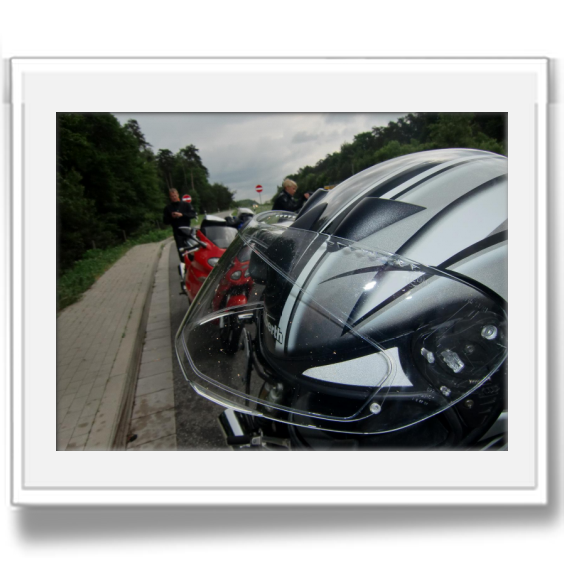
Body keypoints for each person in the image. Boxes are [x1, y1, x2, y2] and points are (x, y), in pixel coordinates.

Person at [163, 188, 197, 261]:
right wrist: (172, 217)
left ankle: (193, 261)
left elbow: (193, 214)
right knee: (181, 250)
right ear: (170, 197)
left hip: (187, 230)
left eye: (175, 195)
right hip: (177, 232)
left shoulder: (186, 205)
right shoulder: (168, 208)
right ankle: (183, 263)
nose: (174, 197)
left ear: (178, 195)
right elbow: (165, 221)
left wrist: (182, 215)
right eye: (172, 196)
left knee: (191, 248)